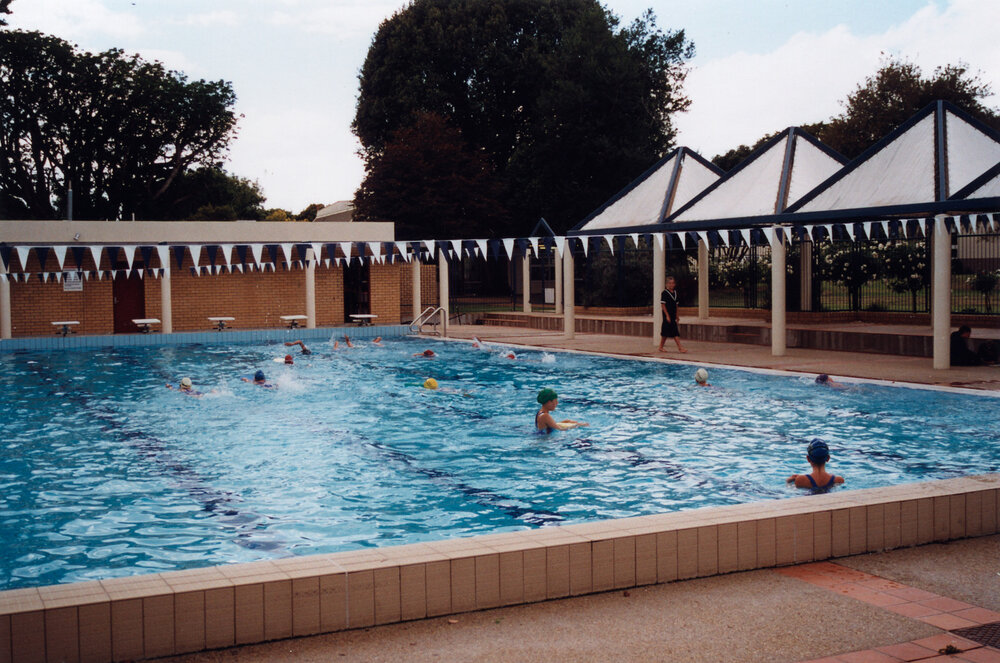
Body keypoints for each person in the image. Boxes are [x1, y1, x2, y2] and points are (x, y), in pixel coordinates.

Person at [658, 275, 687, 353]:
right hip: (667, 315)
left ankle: (661, 347)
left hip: (673, 314)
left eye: (673, 283)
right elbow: (663, 305)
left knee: (671, 331)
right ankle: (679, 347)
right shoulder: (664, 293)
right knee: (669, 331)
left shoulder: (675, 293)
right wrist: (667, 315)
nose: (671, 285)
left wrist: (677, 315)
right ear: (666, 284)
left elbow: (676, 305)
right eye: (669, 283)